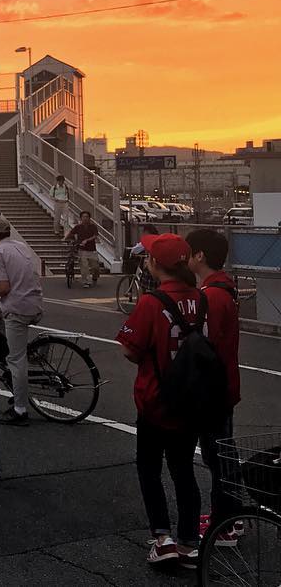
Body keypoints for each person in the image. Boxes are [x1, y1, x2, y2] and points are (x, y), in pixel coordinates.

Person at [116, 233, 203, 567]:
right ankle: (189, 542)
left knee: (150, 468)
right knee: (184, 470)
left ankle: (162, 537)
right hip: (192, 399)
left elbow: (129, 349)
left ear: (155, 263)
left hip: (156, 399)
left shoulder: (152, 302)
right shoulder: (202, 298)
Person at [186, 229, 241, 540]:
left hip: (212, 388)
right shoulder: (224, 288)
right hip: (225, 383)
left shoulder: (211, 295)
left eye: (189, 251)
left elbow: (203, 345)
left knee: (218, 455)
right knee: (223, 452)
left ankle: (227, 521)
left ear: (200, 256)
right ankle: (230, 515)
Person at [0, 215, 43, 426]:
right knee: (6, 334)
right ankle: (17, 385)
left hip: (17, 307)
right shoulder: (19, 245)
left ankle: (20, 409)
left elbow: (3, 288)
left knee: (16, 360)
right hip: (33, 301)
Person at [66, 210, 100, 288]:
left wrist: (87, 240)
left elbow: (95, 235)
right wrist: (65, 238)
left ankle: (95, 277)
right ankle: (86, 281)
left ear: (89, 218)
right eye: (83, 217)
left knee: (95, 267)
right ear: (81, 218)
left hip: (92, 249)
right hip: (82, 249)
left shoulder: (93, 226)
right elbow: (71, 233)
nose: (85, 218)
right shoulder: (78, 227)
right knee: (84, 266)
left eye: (87, 217)